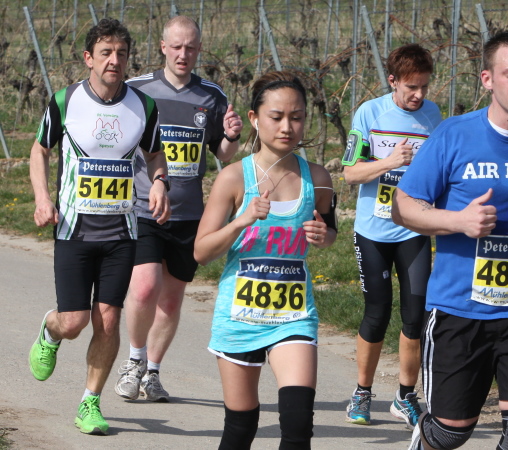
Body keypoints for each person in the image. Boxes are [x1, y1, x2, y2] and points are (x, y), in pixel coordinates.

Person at [392, 31, 508, 449]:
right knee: (450, 432)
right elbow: (402, 207)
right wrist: (458, 221)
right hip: (461, 310)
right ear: (487, 79)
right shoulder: (453, 135)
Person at [28, 18, 170, 435]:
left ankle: (90, 402)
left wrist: (159, 182)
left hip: (122, 233)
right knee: (74, 322)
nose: (114, 60)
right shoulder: (66, 100)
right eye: (106, 53)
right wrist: (42, 198)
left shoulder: (143, 107)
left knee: (107, 320)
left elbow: (155, 155)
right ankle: (50, 330)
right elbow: (40, 150)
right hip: (74, 230)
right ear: (89, 58)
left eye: (121, 54)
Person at [194, 71, 337, 449]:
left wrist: (323, 236)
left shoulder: (318, 178)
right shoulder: (233, 178)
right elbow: (202, 251)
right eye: (277, 117)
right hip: (240, 317)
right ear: (255, 118)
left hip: (293, 315)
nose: (287, 127)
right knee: (241, 429)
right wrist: (241, 220)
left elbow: (330, 232)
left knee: (297, 425)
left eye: (297, 117)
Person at [113, 15, 242, 403]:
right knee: (144, 286)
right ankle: (133, 362)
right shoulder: (137, 90)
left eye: (190, 48)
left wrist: (232, 135)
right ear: (163, 48)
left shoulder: (211, 95)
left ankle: (152, 372)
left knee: (170, 300)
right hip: (143, 208)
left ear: (199, 49)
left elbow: (222, 153)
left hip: (189, 214)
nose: (183, 54)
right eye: (176, 47)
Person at [342, 44, 442, 427]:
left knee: (415, 316)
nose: (419, 94)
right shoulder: (370, 112)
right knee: (377, 312)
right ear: (393, 81)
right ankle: (362, 392)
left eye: (425, 86)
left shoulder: (433, 116)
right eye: (411, 87)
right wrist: (389, 162)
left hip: (413, 230)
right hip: (373, 231)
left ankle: (405, 396)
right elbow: (350, 173)